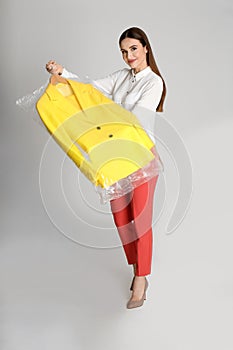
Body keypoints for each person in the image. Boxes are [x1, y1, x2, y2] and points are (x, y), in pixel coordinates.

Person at [45, 27, 166, 309]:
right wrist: (63, 74)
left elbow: (133, 118)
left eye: (134, 49)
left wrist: (100, 110)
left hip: (140, 154)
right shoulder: (122, 77)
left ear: (146, 48)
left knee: (140, 219)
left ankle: (141, 279)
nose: (129, 56)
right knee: (121, 218)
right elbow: (91, 88)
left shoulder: (154, 82)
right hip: (113, 156)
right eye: (124, 51)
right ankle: (137, 263)